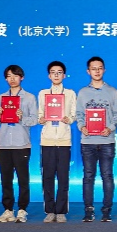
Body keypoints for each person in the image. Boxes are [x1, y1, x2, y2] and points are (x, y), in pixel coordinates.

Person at [77, 56, 117, 222]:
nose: (97, 71)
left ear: (104, 70)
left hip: (106, 141)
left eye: (100, 68)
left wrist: (110, 127)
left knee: (107, 176)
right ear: (88, 71)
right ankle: (88, 210)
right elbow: (79, 114)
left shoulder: (113, 92)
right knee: (88, 176)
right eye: (93, 68)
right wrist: (82, 126)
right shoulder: (83, 92)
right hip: (88, 141)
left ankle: (106, 210)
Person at [0, 64, 37, 223]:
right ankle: (8, 210)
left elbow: (34, 120)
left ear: (21, 77)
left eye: (15, 76)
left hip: (21, 143)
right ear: (5, 79)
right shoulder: (0, 98)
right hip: (3, 143)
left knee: (23, 179)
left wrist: (22, 117)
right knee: (6, 179)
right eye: (9, 76)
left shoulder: (29, 97)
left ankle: (22, 209)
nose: (12, 79)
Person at [37, 60, 77, 222]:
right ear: (49, 76)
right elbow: (39, 114)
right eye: (53, 72)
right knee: (47, 177)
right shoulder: (43, 93)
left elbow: (74, 114)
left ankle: (61, 211)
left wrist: (69, 119)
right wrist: (41, 119)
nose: (56, 75)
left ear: (64, 75)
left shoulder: (70, 93)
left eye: (59, 72)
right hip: (47, 140)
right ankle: (49, 210)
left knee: (63, 176)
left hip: (64, 140)